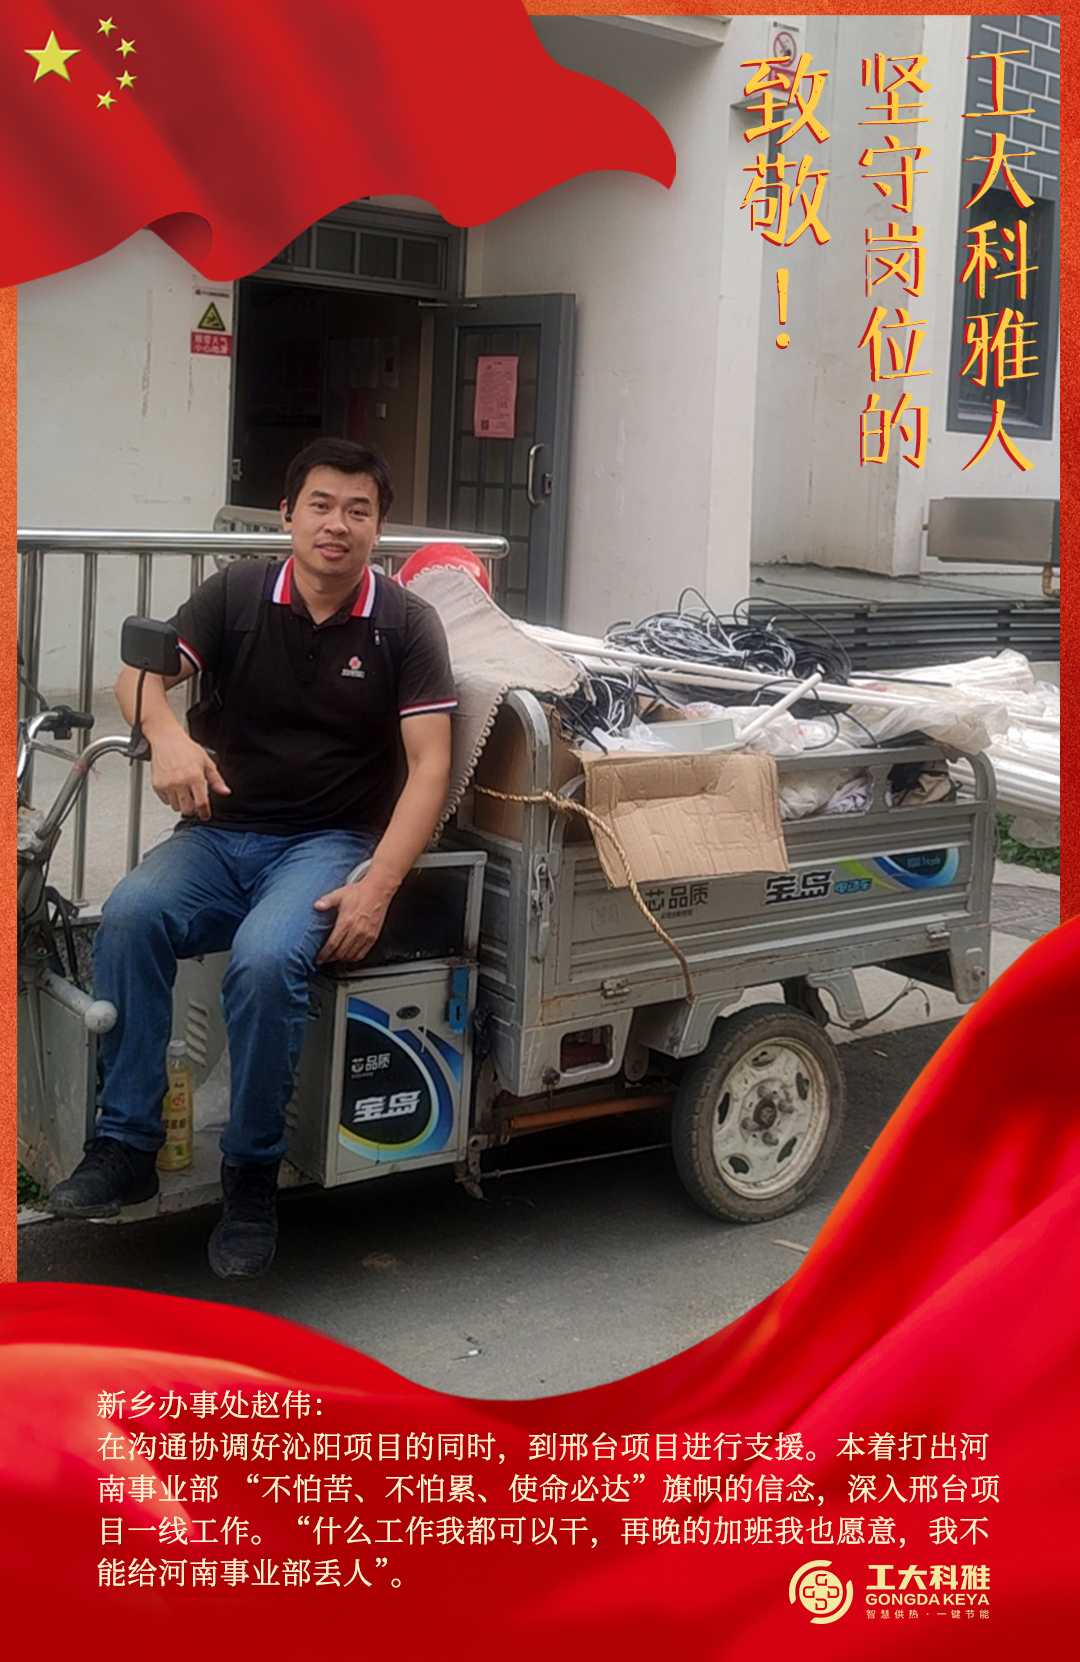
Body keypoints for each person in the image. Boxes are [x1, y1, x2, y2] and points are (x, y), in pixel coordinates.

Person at [49, 438, 456, 1277]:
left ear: (379, 528)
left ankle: (251, 1176)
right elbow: (137, 678)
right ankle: (126, 1145)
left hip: (328, 843)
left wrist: (378, 887)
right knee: (130, 915)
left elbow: (430, 768)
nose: (336, 525)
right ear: (287, 514)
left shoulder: (406, 624)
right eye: (320, 505)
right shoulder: (236, 591)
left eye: (358, 510)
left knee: (267, 963)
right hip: (218, 833)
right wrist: (167, 736)